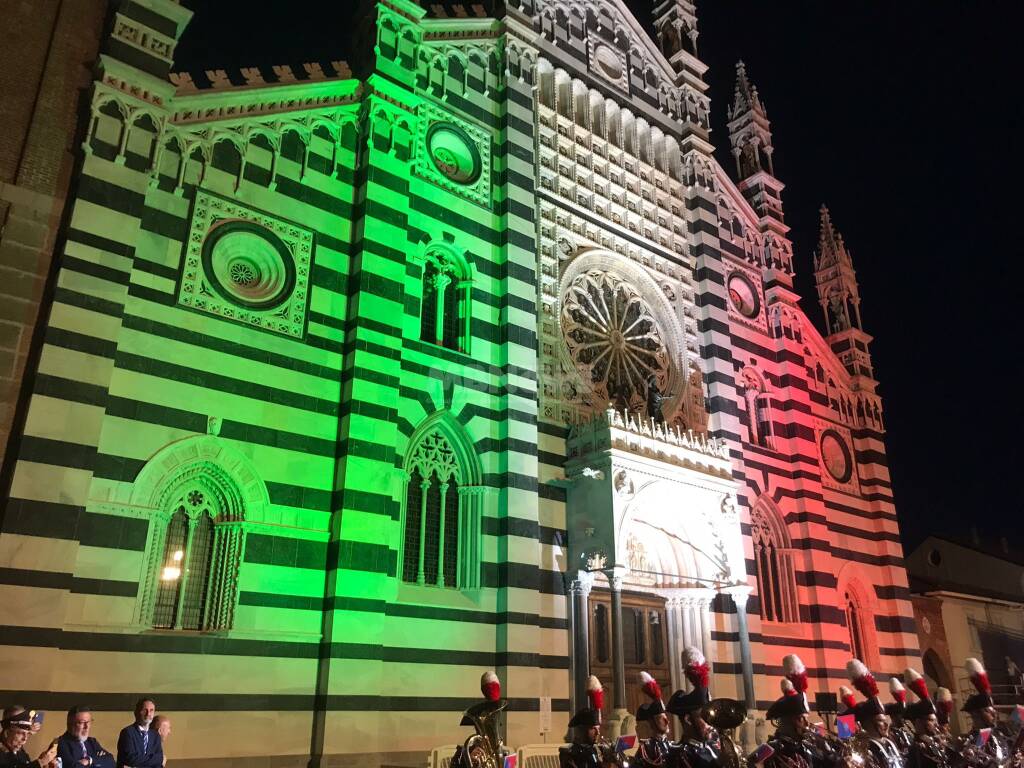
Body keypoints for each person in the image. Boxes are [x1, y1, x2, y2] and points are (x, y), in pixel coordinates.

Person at [753, 655, 843, 768]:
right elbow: (751, 763)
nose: (807, 723)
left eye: (806, 717)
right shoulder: (769, 749)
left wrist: (833, 757)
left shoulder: (806, 745)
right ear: (787, 720)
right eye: (801, 718)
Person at [667, 648, 724, 768]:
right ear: (688, 719)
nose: (710, 724)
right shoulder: (679, 755)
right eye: (704, 717)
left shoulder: (711, 749)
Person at [847, 659, 904, 768]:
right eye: (880, 721)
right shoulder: (862, 748)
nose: (886, 725)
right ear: (867, 722)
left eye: (885, 720)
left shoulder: (889, 743)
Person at [903, 669, 959, 768]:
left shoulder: (935, 743)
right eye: (931, 720)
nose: (936, 724)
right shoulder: (916, 748)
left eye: (935, 720)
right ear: (918, 721)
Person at [960, 659, 1011, 768]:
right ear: (975, 714)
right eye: (988, 711)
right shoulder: (972, 742)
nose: (994, 715)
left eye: (994, 711)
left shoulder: (999, 736)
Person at [560, 676, 612, 768]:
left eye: (598, 729)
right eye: (593, 729)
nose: (598, 733)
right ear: (582, 729)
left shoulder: (592, 749)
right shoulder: (571, 754)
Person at [635, 671, 678, 768]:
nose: (667, 721)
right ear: (651, 722)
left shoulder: (673, 745)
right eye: (661, 719)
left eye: (666, 718)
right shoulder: (645, 748)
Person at [116, 699, 163, 768]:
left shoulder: (155, 736)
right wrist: (153, 759)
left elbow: (159, 759)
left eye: (151, 710)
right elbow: (130, 760)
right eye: (145, 710)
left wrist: (139, 761)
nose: (148, 714)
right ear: (136, 712)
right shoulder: (127, 733)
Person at [886, 678, 914, 757]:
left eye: (902, 715)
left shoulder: (907, 728)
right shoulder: (890, 733)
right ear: (893, 716)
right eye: (898, 715)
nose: (901, 718)